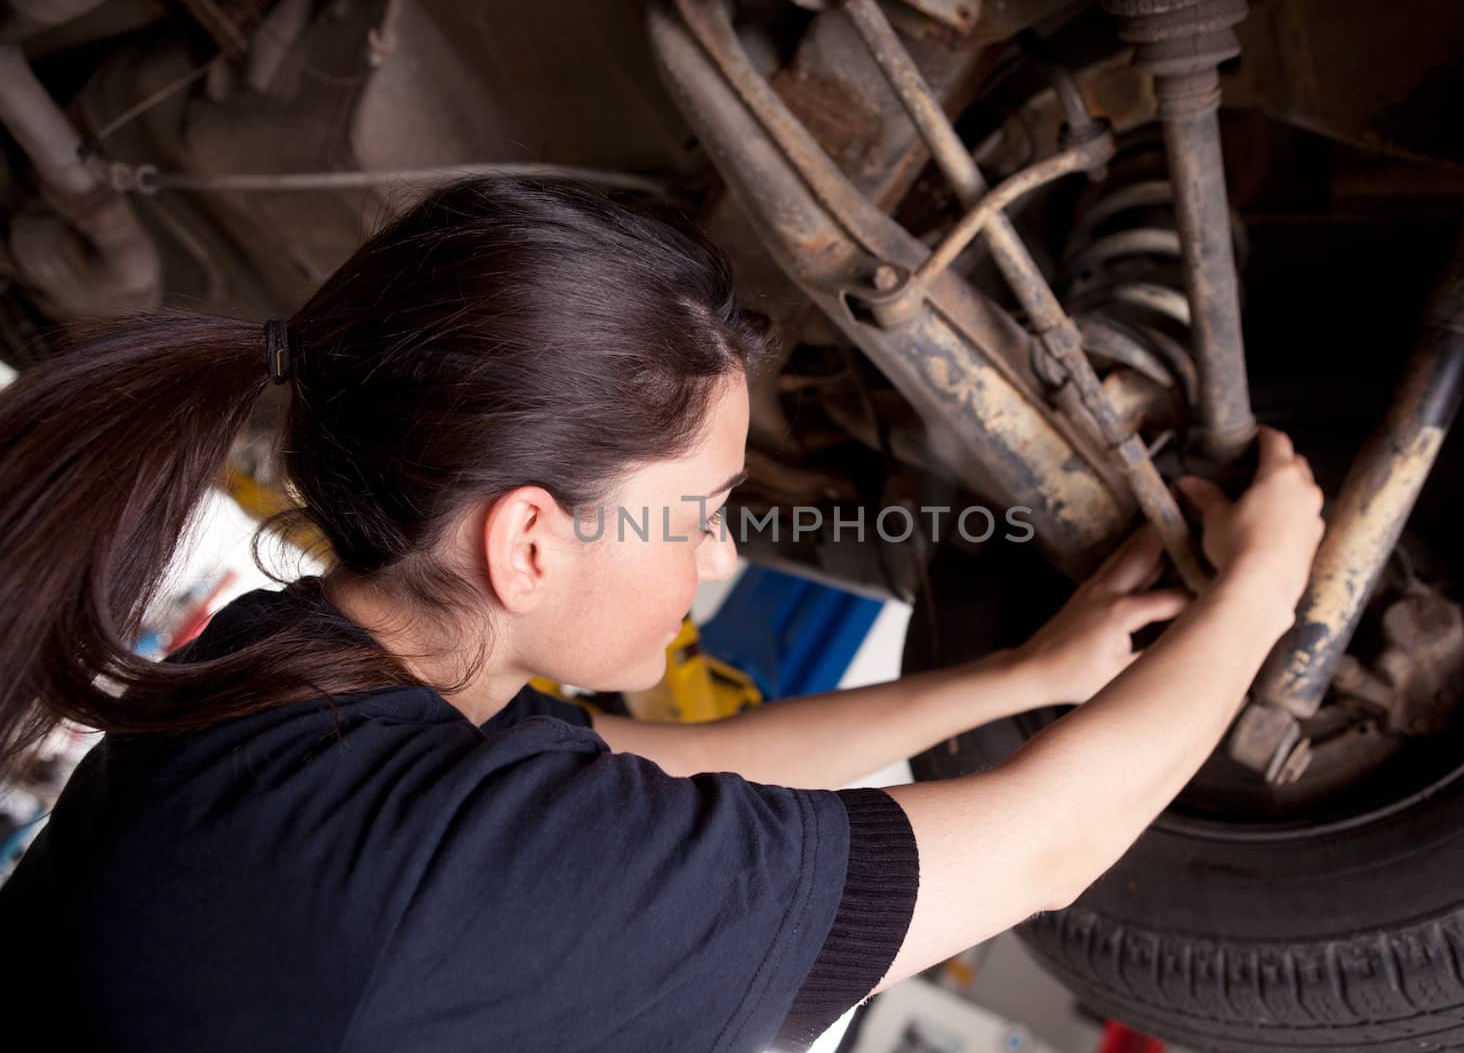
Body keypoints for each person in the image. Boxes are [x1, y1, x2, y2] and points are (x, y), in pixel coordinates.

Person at [0, 176, 1324, 1051]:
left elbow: (665, 775)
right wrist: (1270, 586)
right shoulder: (476, 867)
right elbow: (1041, 849)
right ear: (528, 540)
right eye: (696, 510)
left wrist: (1025, 675)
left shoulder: (280, 678)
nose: (715, 555)